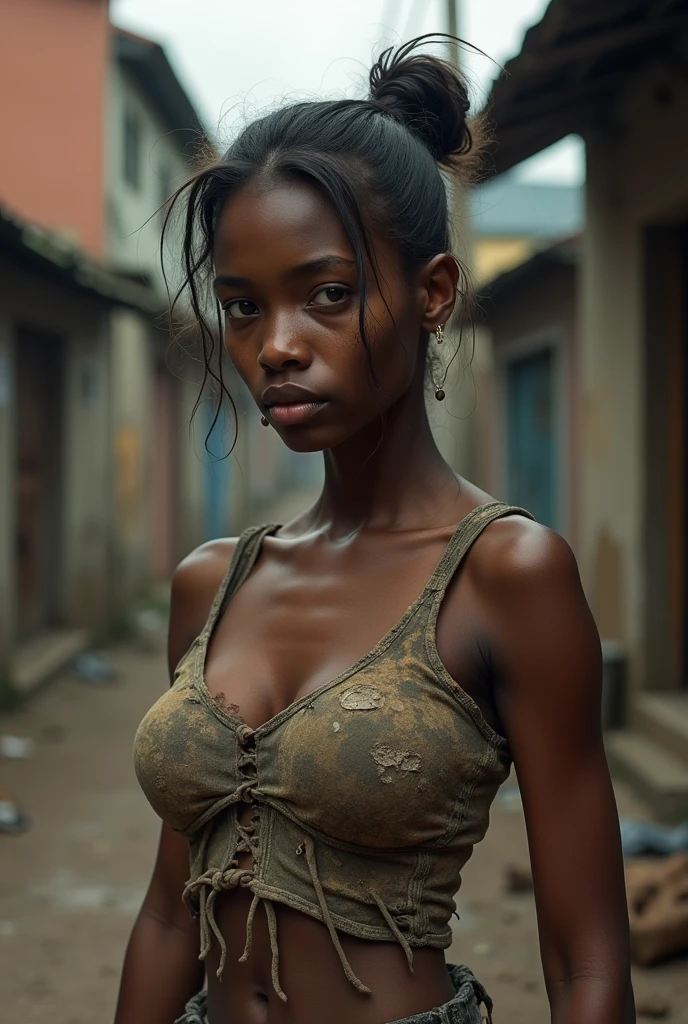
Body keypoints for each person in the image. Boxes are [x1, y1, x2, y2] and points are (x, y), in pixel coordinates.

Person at [116, 35, 635, 1024]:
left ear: (432, 293)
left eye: (327, 294)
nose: (274, 346)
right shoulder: (210, 584)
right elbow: (167, 918)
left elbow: (584, 958)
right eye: (241, 305)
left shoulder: (504, 575)